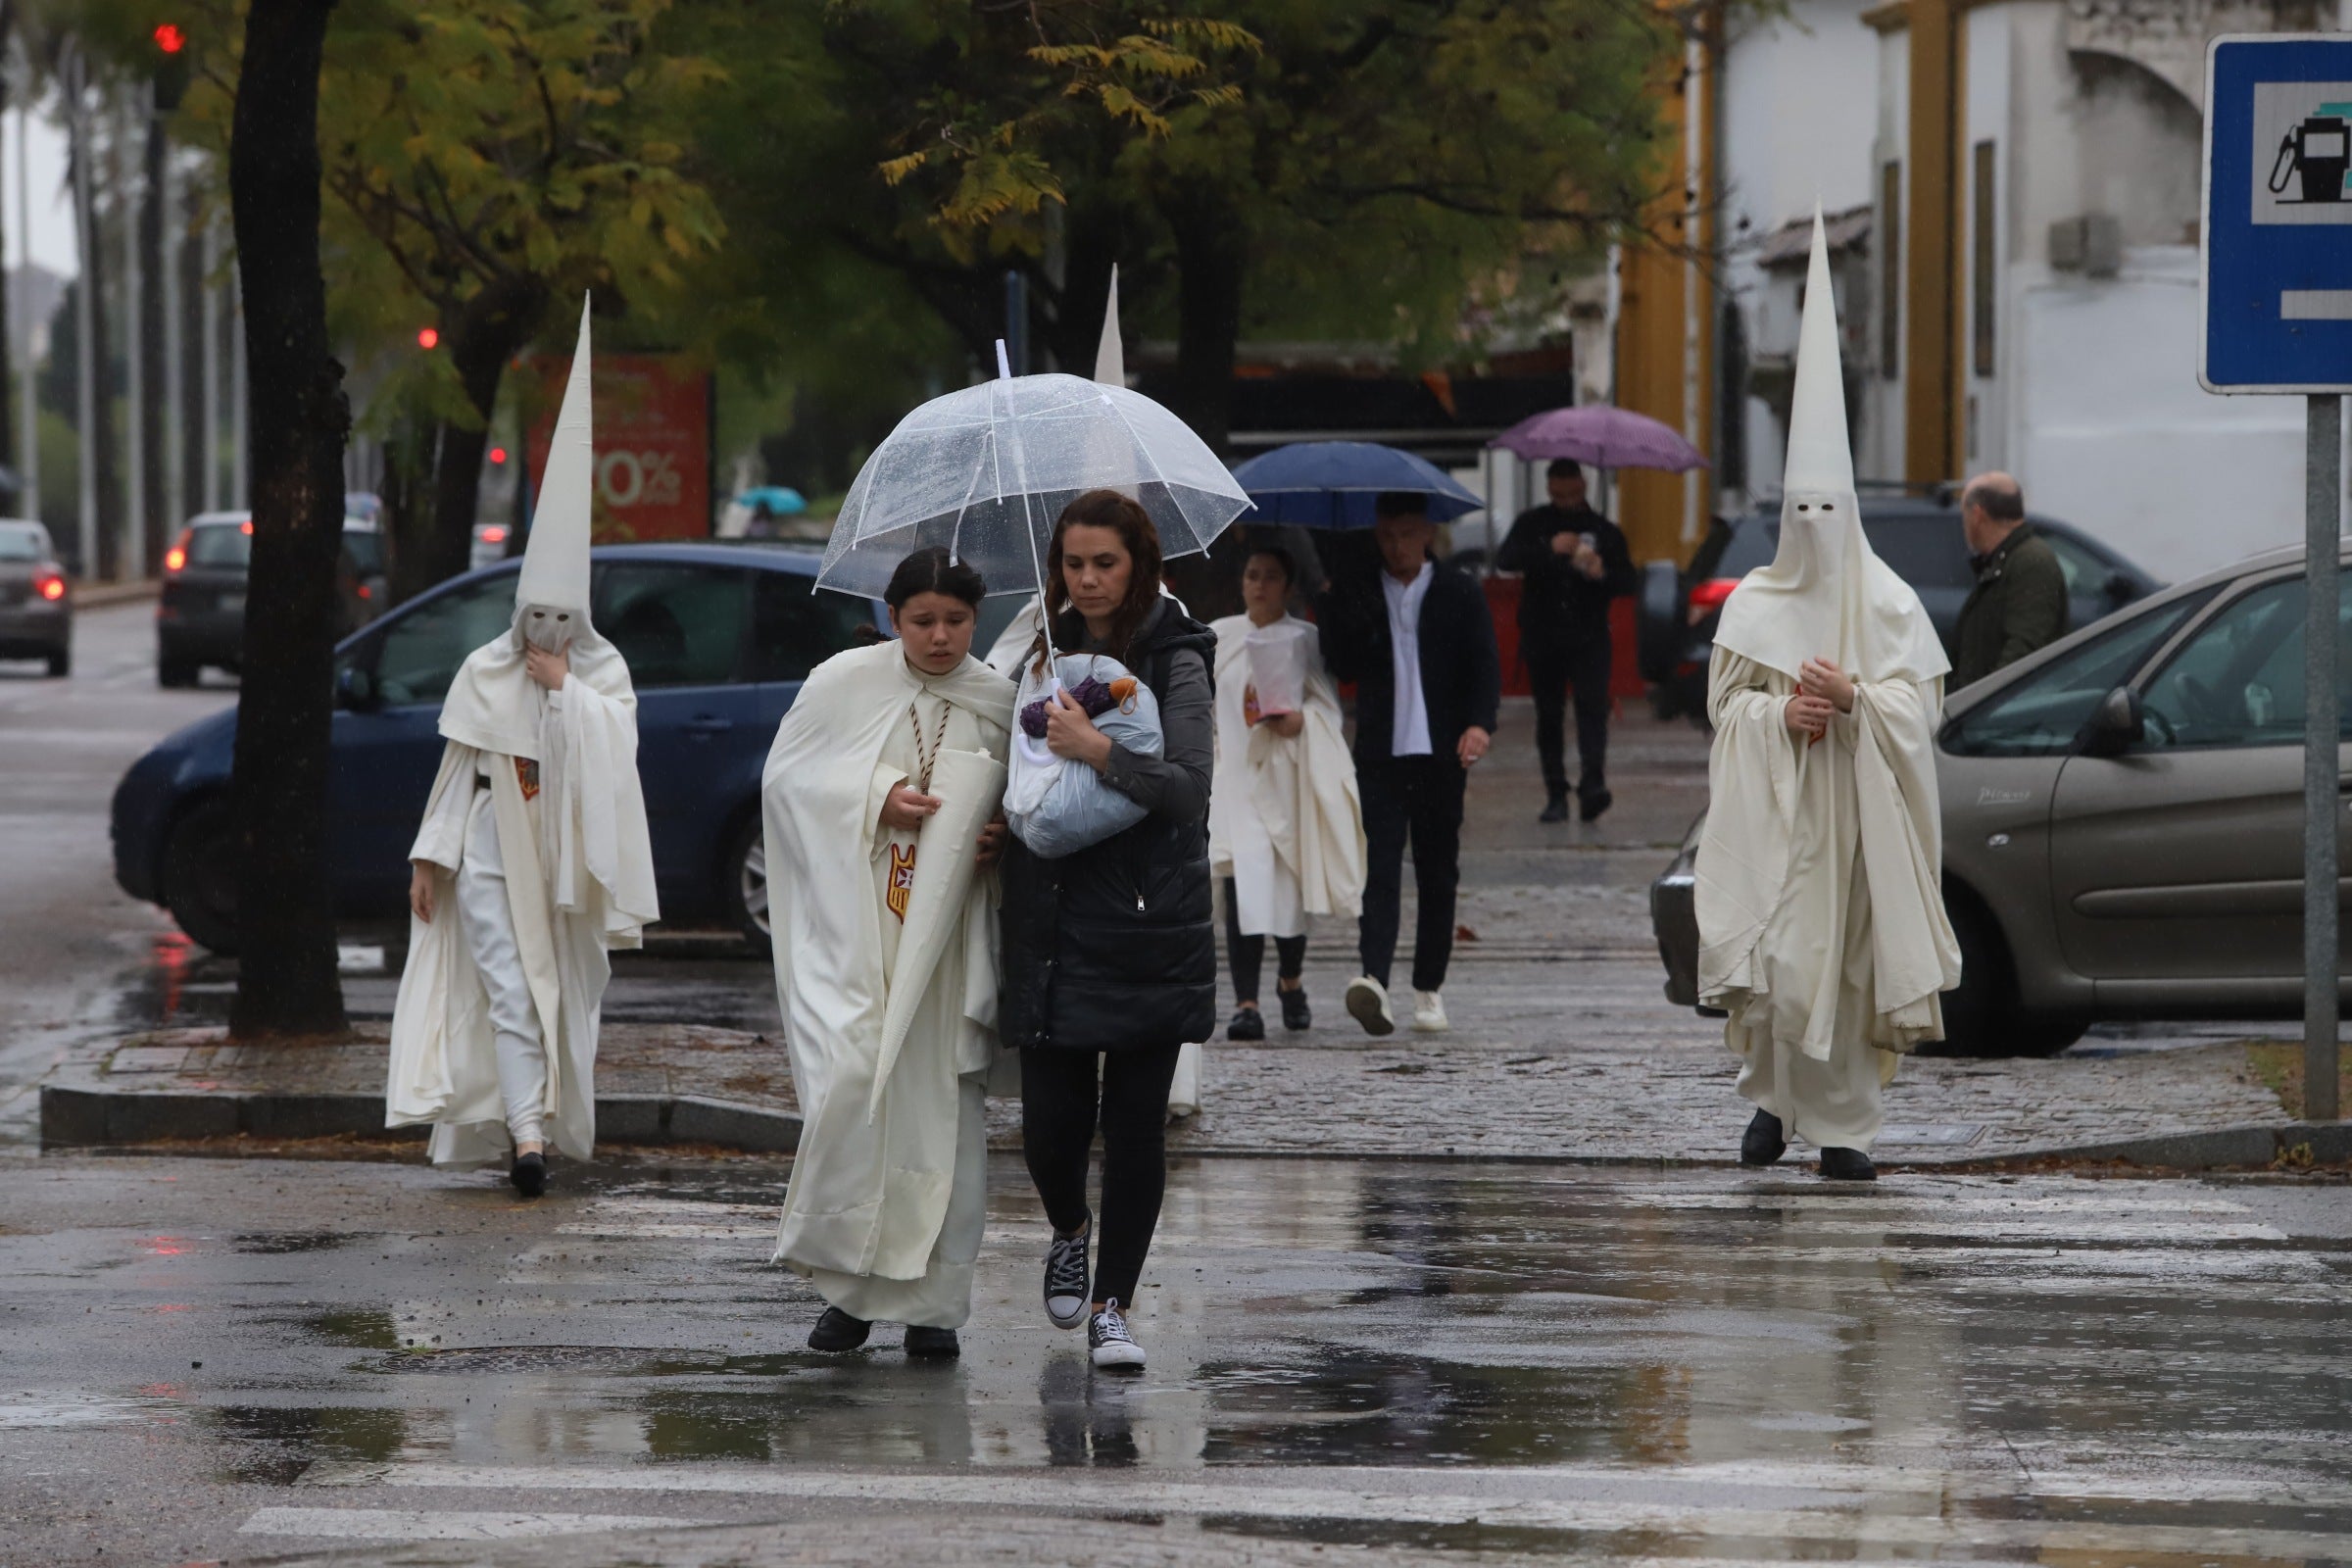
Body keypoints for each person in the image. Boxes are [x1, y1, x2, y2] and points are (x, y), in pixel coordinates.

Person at [1694, 212, 1960, 1184]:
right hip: (1781, 813)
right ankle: (1771, 1104)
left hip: (1858, 822)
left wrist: (1856, 699)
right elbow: (1728, 710)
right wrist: (1781, 716)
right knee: (1780, 956)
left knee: (1845, 970)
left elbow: (1920, 708)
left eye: (1827, 510)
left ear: (1846, 511)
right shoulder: (1757, 603)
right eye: (1797, 509)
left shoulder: (1887, 602)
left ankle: (1844, 1128)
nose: (1812, 526)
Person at [385, 299, 659, 1198]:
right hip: (497, 849)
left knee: (563, 992)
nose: (546, 629)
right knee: (509, 990)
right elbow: (456, 772)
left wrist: (564, 691)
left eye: (562, 618)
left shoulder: (600, 678)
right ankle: (527, 1136)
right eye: (533, 617)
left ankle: (546, 1115)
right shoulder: (482, 670)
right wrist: (431, 860)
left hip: (569, 854)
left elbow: (615, 741)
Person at [761, 547, 1015, 1358]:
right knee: (853, 1085)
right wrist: (876, 797)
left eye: (956, 621)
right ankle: (849, 1294)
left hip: (951, 940)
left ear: (977, 620)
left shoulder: (998, 698)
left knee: (946, 1109)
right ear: (893, 618)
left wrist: (1001, 837)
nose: (940, 638)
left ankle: (937, 1306)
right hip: (861, 925)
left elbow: (1035, 796)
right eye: (922, 621)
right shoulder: (843, 681)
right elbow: (787, 783)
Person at [998, 489, 1217, 1371]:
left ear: (1142, 565)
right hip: (1049, 913)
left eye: (1105, 564)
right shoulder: (1038, 647)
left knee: (1134, 1126)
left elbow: (1189, 793)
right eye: (1073, 564)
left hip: (1145, 919)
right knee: (1049, 1122)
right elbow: (1012, 760)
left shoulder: (1175, 657)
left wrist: (1100, 752)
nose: (1086, 581)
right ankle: (1067, 1226)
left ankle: (1113, 1306)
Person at [1316, 493, 1500, 1039]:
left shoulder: (1458, 590)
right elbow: (1342, 663)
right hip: (1380, 753)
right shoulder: (1362, 589)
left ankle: (1428, 987)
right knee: (1380, 869)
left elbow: (1482, 662)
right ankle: (1373, 977)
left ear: (1427, 533)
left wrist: (1478, 723)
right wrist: (1340, 606)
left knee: (1438, 871)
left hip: (1442, 754)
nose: (1396, 545)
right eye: (1387, 534)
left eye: (1406, 533)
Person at [1207, 545, 1366, 1041]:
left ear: (1288, 586)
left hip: (1287, 777)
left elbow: (1328, 709)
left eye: (1271, 577)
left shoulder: (1304, 639)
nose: (1259, 585)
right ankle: (1246, 1002)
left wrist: (1300, 720)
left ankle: (1290, 981)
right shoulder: (1219, 636)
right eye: (1252, 574)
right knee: (1241, 886)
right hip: (1234, 774)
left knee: (1287, 887)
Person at [1494, 459, 1638, 823]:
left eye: (1573, 493)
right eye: (1559, 494)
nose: (1567, 500)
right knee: (1549, 715)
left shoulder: (1603, 530)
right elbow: (1506, 559)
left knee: (1592, 710)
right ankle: (1555, 791)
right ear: (1549, 490)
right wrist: (1549, 548)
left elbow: (1627, 580)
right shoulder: (1533, 523)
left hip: (1589, 636)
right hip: (1543, 635)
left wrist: (1600, 572)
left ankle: (1593, 784)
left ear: (1584, 486)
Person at [1951, 471, 2068, 688]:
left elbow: (2024, 652)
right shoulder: (2002, 561)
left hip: (2000, 714)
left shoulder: (2031, 562)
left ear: (1977, 515)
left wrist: (1982, 702)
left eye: (1964, 515)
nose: (1964, 525)